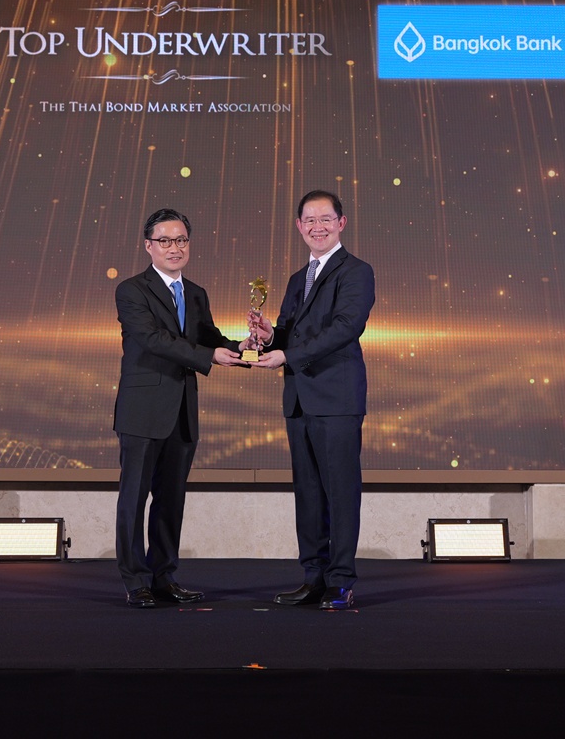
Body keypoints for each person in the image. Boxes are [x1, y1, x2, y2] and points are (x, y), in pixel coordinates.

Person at [246, 190, 374, 610]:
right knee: (309, 492)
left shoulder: (356, 272)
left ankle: (340, 581)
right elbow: (289, 332)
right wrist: (270, 336)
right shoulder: (297, 278)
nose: (318, 227)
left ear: (341, 223)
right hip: (300, 398)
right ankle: (313, 578)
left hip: (336, 398)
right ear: (299, 226)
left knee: (340, 491)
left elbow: (345, 328)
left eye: (326, 219)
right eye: (310, 220)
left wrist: (288, 355)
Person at [114, 208, 244, 607]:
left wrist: (245, 346)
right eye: (165, 241)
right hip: (142, 410)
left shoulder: (196, 293)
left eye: (182, 240)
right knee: (134, 499)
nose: (175, 248)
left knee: (171, 500)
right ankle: (136, 582)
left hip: (182, 411)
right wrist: (209, 356)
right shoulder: (131, 290)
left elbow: (209, 338)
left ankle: (163, 577)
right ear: (148, 245)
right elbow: (153, 339)